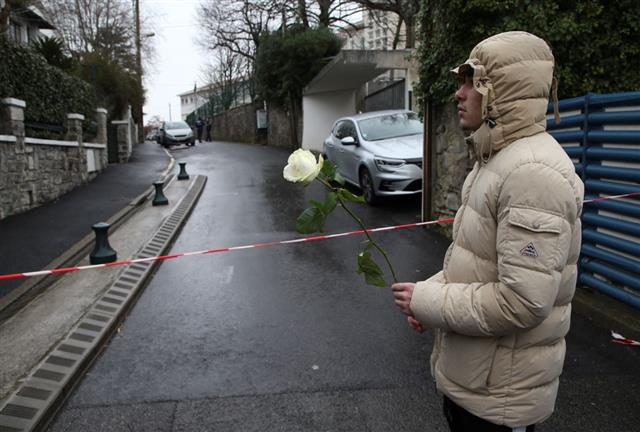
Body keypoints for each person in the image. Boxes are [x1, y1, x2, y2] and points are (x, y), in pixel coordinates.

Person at [392, 31, 584, 432]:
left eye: (472, 82)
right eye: (460, 81)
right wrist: (427, 296)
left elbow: (522, 301)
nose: (459, 94)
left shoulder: (532, 174)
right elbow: (478, 266)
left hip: (499, 400)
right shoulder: (496, 160)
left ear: (504, 92)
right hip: (479, 387)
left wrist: (428, 300)